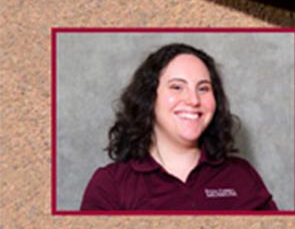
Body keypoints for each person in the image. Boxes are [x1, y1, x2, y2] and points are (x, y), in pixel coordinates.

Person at [80, 43, 277, 211]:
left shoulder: (241, 175)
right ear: (149, 98)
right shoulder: (110, 185)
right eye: (177, 87)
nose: (193, 100)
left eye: (203, 88)